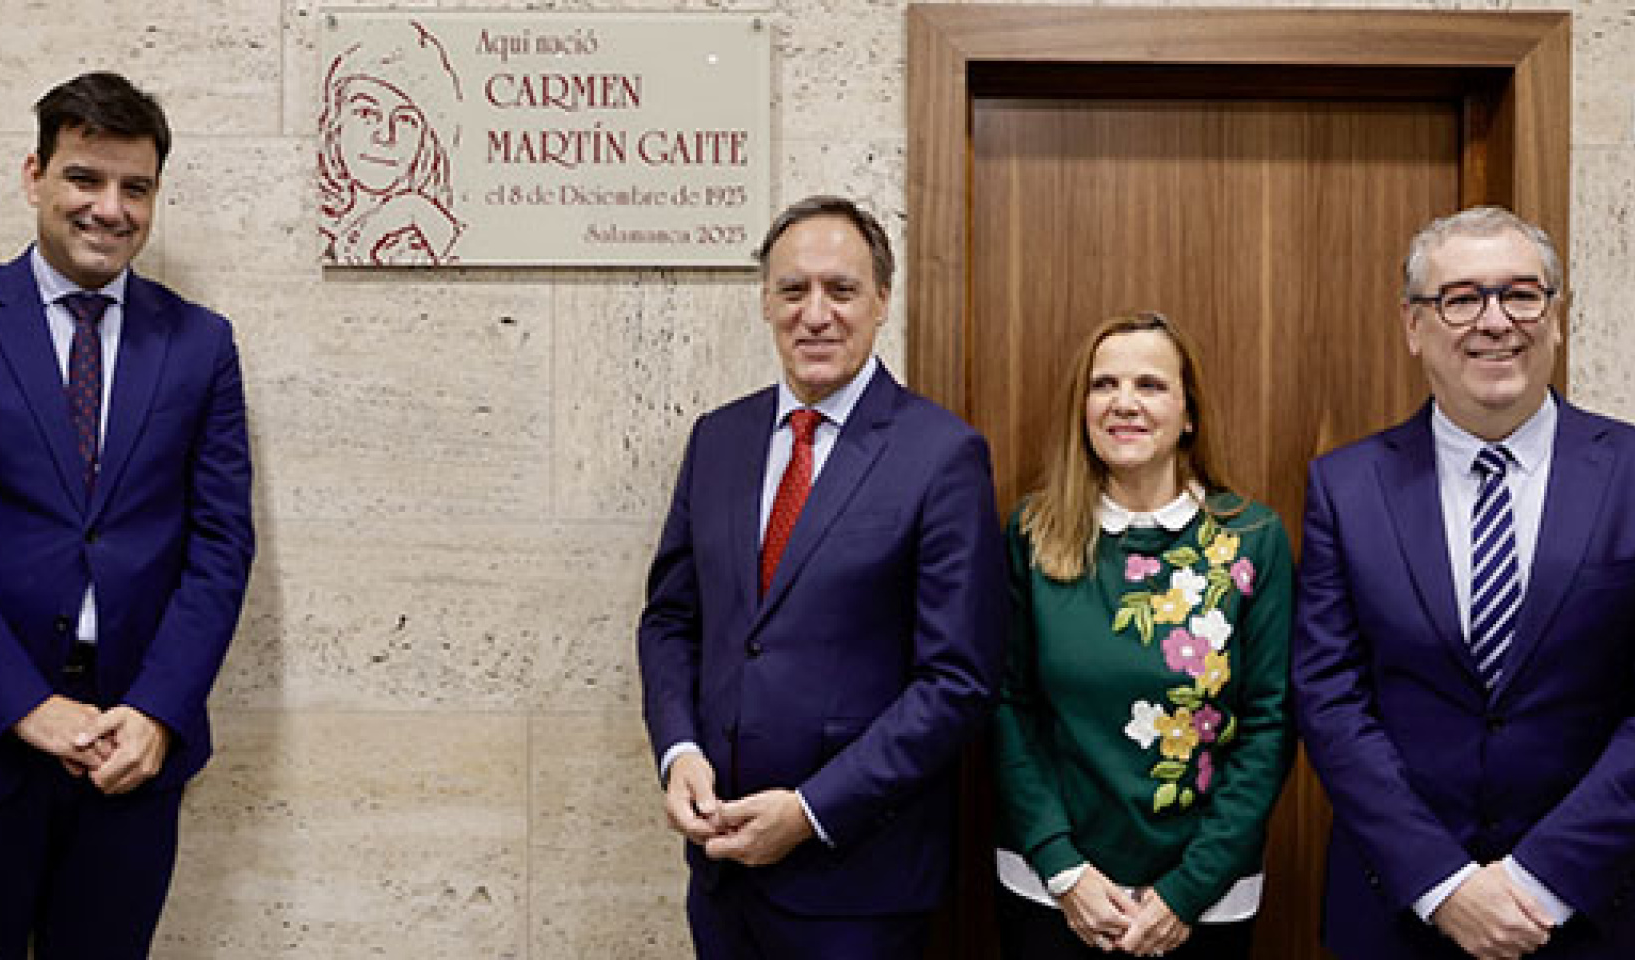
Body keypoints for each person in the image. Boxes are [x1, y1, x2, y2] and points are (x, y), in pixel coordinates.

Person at [0, 72, 255, 958]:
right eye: (85, 178)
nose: (110, 209)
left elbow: (221, 546)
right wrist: (25, 705)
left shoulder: (201, 344)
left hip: (131, 756)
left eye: (135, 187)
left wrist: (156, 710)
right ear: (34, 174)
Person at [636, 194, 1007, 958]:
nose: (815, 314)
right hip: (721, 877)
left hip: (859, 885)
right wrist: (679, 752)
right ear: (765, 302)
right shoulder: (718, 440)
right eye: (793, 290)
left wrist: (809, 811)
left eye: (841, 290)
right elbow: (672, 619)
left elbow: (957, 681)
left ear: (881, 302)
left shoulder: (941, 455)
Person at [1294, 205, 1635, 959]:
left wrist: (1543, 880)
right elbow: (1330, 699)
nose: (1495, 321)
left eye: (1522, 295)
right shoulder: (1346, 488)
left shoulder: (1630, 474)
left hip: (1596, 911)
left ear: (1557, 317)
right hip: (1398, 913)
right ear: (1414, 326)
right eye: (1461, 299)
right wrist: (1442, 883)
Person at [993, 312, 1295, 959]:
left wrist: (1187, 891)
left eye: (1150, 386)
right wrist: (1063, 869)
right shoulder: (1034, 533)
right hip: (1053, 889)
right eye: (1104, 385)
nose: (1123, 403)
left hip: (1204, 897)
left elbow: (1269, 726)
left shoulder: (1252, 541)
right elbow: (1008, 706)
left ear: (1189, 414)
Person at [317, 21, 465, 266]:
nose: (385, 135)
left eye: (405, 119)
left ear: (425, 143)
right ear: (336, 124)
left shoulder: (429, 237)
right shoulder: (311, 231)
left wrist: (418, 214)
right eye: (366, 113)